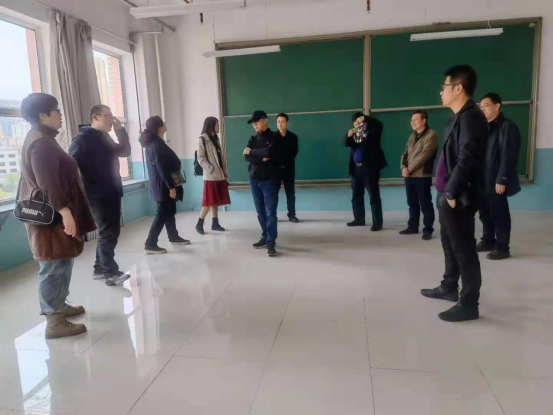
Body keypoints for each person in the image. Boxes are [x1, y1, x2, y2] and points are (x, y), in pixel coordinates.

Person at [19, 93, 96, 338]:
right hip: (52, 217)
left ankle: (59, 305)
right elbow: (48, 183)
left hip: (53, 214)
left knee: (62, 261)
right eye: (56, 111)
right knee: (52, 265)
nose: (61, 115)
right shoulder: (41, 143)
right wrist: (65, 212)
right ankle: (54, 320)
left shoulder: (42, 138)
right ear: (43, 115)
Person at [420, 65, 489, 322]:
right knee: (449, 244)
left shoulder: (471, 117)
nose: (441, 92)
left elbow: (467, 158)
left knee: (464, 249)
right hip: (447, 194)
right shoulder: (458, 117)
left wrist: (451, 192)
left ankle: (469, 303)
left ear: (458, 88)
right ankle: (449, 286)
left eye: (445, 87)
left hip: (458, 196)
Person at [69, 104, 131, 286]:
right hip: (97, 194)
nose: (112, 119)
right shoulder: (82, 139)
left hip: (111, 190)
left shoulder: (104, 137)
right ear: (95, 117)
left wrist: (120, 131)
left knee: (109, 230)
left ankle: (99, 268)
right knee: (108, 231)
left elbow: (125, 152)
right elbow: (70, 165)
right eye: (108, 116)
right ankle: (110, 272)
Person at [477, 93, 521, 260]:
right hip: (482, 178)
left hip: (496, 179)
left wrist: (502, 178)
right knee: (484, 212)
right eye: (481, 107)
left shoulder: (507, 126)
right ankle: (488, 240)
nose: (483, 109)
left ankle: (502, 247)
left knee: (499, 213)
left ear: (497, 106)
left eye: (486, 105)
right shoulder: (483, 127)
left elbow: (509, 155)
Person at [140, 116, 190, 253]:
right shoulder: (155, 144)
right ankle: (150, 243)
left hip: (164, 184)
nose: (165, 125)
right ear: (159, 128)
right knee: (162, 213)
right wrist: (171, 187)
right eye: (163, 123)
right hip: (163, 185)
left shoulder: (156, 142)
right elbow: (161, 168)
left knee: (170, 211)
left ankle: (173, 236)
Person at [243, 110, 281, 257]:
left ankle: (271, 243)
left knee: (270, 212)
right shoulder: (252, 139)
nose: (254, 124)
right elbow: (246, 157)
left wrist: (252, 152)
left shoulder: (275, 137)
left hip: (269, 180)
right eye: (253, 122)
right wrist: (260, 156)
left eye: (256, 121)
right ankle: (265, 236)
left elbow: (270, 153)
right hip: (254, 180)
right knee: (260, 212)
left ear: (265, 120)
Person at [344, 112, 388, 230]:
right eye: (356, 123)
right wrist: (348, 136)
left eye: (361, 122)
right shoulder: (354, 134)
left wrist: (365, 117)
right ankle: (359, 219)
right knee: (356, 196)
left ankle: (377, 223)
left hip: (369, 169)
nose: (359, 125)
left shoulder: (373, 132)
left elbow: (379, 124)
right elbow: (346, 143)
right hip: (355, 169)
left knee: (374, 196)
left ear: (366, 123)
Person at [400, 110, 438, 240]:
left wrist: (408, 169)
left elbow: (423, 156)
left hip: (422, 175)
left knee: (425, 203)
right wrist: (403, 167)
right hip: (409, 175)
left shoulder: (431, 135)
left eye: (415, 120)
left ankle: (428, 230)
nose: (412, 122)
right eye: (411, 120)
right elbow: (405, 154)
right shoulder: (412, 136)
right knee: (412, 202)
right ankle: (413, 226)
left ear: (424, 120)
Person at [195, 116, 230, 235]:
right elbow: (200, 158)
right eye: (217, 124)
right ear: (211, 125)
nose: (218, 126)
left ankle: (215, 223)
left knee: (215, 200)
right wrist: (211, 169)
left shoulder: (216, 139)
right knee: (209, 201)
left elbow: (220, 158)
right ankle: (199, 223)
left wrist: (224, 171)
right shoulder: (202, 139)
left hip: (219, 174)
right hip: (210, 176)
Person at [276, 113, 299, 223]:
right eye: (278, 121)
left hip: (289, 169)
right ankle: (272, 215)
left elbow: (294, 152)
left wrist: (284, 161)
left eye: (282, 121)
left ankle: (292, 215)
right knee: (273, 194)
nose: (280, 124)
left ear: (287, 123)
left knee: (290, 194)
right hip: (275, 170)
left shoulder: (293, 137)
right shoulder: (272, 137)